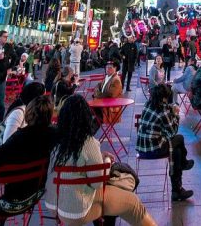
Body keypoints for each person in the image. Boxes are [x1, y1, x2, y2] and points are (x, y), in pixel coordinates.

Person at [42, 95, 157, 226]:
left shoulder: (57, 143)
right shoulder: (88, 142)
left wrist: (99, 157)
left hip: (54, 204)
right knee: (133, 203)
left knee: (113, 194)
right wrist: (107, 160)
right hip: (77, 210)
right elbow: (98, 183)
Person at [0, 96, 58, 225]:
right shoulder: (55, 134)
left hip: (12, 199)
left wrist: (1, 178)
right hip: (36, 194)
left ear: (28, 114)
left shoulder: (19, 137)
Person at [137, 84, 194, 201]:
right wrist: (176, 114)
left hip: (141, 147)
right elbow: (172, 131)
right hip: (154, 149)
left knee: (177, 151)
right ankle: (177, 187)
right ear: (164, 98)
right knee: (179, 138)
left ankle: (177, 191)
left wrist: (170, 110)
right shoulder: (162, 111)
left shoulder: (148, 104)